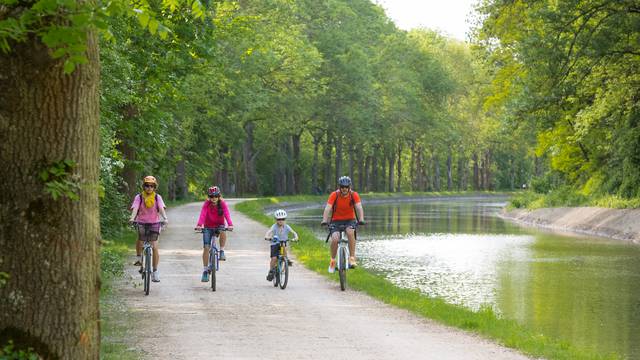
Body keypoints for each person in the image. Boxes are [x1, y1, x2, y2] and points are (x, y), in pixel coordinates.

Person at [321, 176, 365, 273]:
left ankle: (352, 258)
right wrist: (324, 220)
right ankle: (333, 260)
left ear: (349, 187)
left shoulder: (354, 195)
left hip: (350, 220)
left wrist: (361, 219)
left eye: (346, 187)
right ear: (339, 187)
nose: (344, 189)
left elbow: (359, 207)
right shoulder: (334, 195)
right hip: (335, 221)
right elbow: (328, 208)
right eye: (342, 187)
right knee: (335, 239)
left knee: (350, 233)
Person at [129, 175, 168, 283]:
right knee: (140, 240)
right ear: (143, 186)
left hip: (155, 223)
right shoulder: (139, 197)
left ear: (155, 187)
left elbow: (160, 208)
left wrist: (165, 218)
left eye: (152, 186)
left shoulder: (157, 197)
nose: (149, 188)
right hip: (141, 222)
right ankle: (138, 258)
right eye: (147, 185)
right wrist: (132, 218)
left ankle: (155, 272)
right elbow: (135, 208)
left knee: (155, 247)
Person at [195, 186, 234, 282]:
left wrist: (230, 224)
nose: (214, 198)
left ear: (219, 196)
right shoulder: (206, 204)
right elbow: (203, 214)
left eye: (216, 196)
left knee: (223, 231)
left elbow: (227, 214)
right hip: (208, 226)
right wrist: (199, 225)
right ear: (209, 197)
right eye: (212, 196)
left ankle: (222, 251)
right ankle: (205, 271)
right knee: (206, 247)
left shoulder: (222, 203)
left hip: (219, 225)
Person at [264, 209, 298, 281]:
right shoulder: (274, 226)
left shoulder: (287, 226)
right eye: (279, 219)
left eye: (283, 219)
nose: (281, 221)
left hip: (283, 242)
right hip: (275, 244)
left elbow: (293, 232)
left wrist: (296, 237)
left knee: (284, 250)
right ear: (276, 220)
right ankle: (271, 271)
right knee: (274, 258)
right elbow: (268, 232)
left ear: (285, 219)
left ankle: (286, 260)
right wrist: (268, 237)